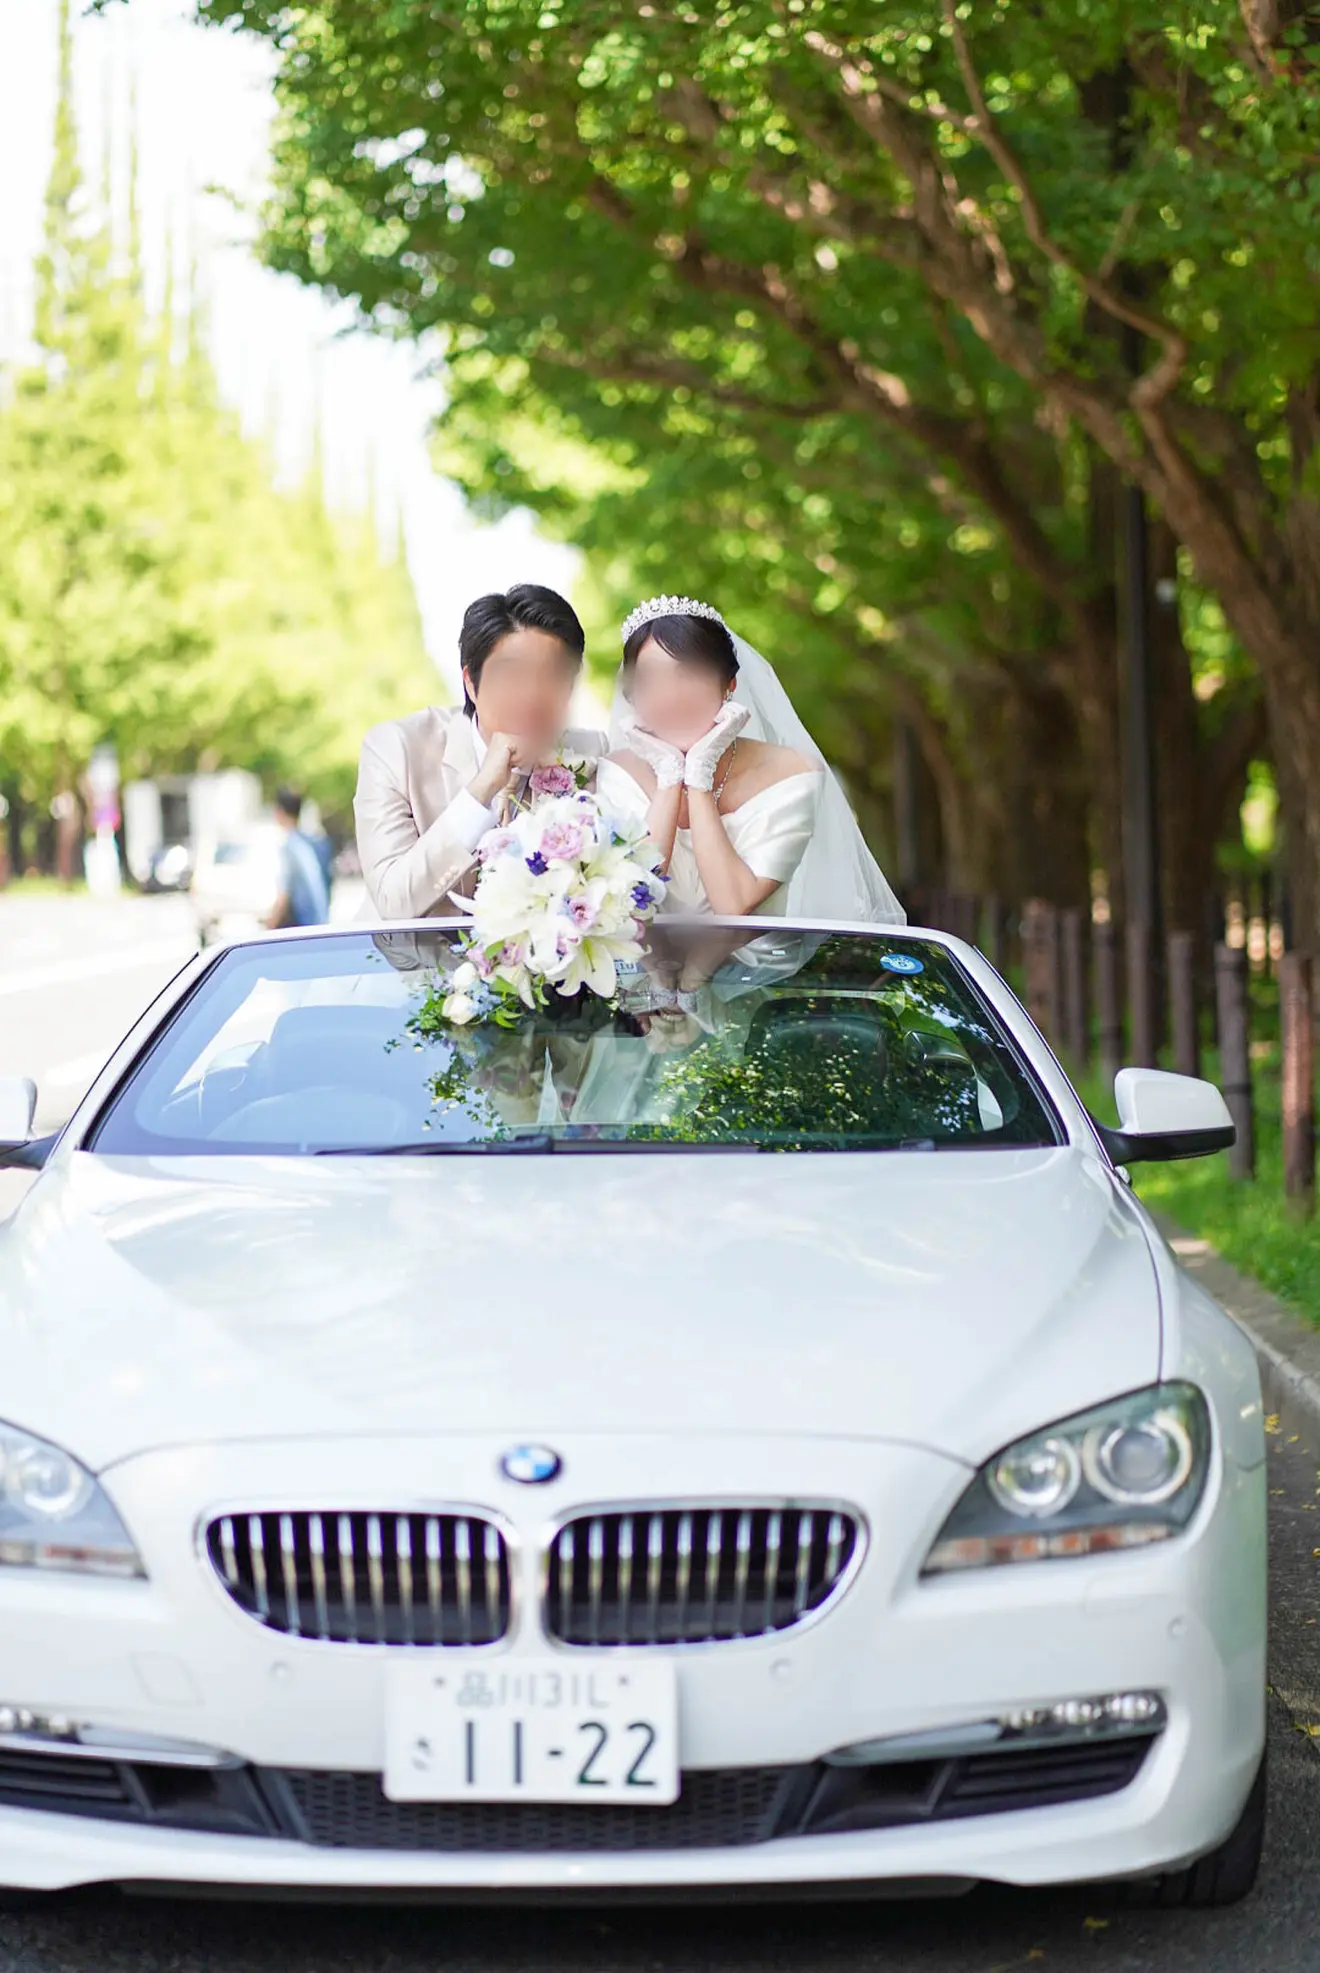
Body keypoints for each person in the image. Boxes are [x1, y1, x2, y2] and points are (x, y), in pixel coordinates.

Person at [597, 596, 905, 922]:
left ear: (729, 684)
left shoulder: (793, 774)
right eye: (650, 680)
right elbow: (631, 901)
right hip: (646, 968)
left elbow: (732, 904)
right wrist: (670, 776)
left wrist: (699, 775)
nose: (670, 696)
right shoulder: (615, 772)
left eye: (688, 674)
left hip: (762, 970)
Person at [354, 584, 607, 921]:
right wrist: (482, 789)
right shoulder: (396, 749)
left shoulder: (591, 758)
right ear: (471, 684)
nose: (532, 695)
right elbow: (393, 900)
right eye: (513, 674)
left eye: (552, 675)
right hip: (408, 969)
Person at [266, 787, 331, 929]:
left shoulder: (289, 847)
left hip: (301, 929)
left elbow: (283, 897)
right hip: (321, 925)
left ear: (279, 812)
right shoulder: (317, 843)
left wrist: (268, 928)